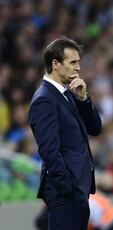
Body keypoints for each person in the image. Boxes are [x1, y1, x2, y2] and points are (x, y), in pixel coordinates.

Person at [28, 37, 102, 230]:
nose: (78, 68)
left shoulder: (69, 93)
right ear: (55, 64)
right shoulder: (44, 100)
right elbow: (49, 151)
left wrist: (83, 98)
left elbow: (95, 128)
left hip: (78, 190)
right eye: (73, 62)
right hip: (66, 191)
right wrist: (68, 187)